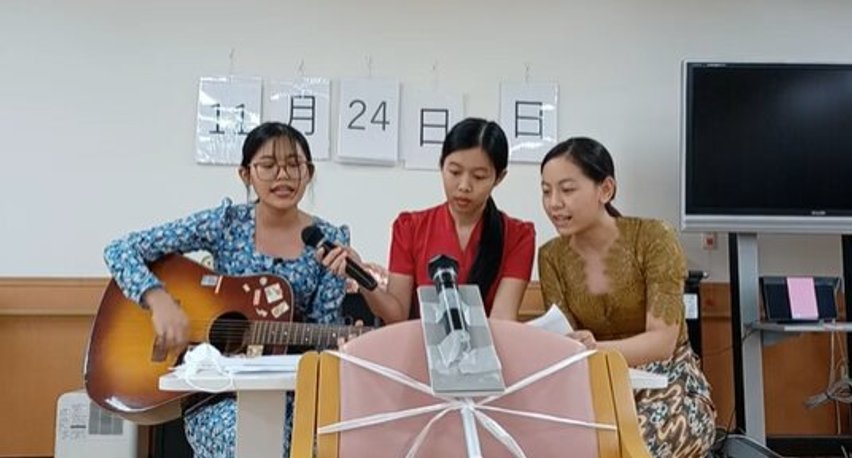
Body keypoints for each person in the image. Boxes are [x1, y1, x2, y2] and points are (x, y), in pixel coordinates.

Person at [103, 122, 348, 457]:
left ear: (309, 173)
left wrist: (345, 337)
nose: (283, 176)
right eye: (268, 165)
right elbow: (121, 250)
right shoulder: (225, 223)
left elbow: (324, 332)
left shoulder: (328, 241)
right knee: (245, 442)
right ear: (245, 174)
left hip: (293, 394)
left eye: (294, 165)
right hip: (215, 394)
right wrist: (158, 300)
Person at [537, 137, 716, 457]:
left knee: (629, 448)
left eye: (567, 190)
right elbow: (565, 339)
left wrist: (594, 349)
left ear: (605, 190)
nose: (554, 203)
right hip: (597, 385)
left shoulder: (654, 237)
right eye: (546, 191)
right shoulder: (551, 256)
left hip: (670, 383)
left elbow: (662, 342)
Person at [321, 118, 535, 323]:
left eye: (478, 177)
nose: (464, 186)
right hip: (418, 346)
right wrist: (359, 273)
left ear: (499, 178)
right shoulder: (410, 228)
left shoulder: (517, 236)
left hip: (490, 347)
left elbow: (502, 320)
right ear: (441, 166)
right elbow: (396, 314)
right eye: (455, 172)